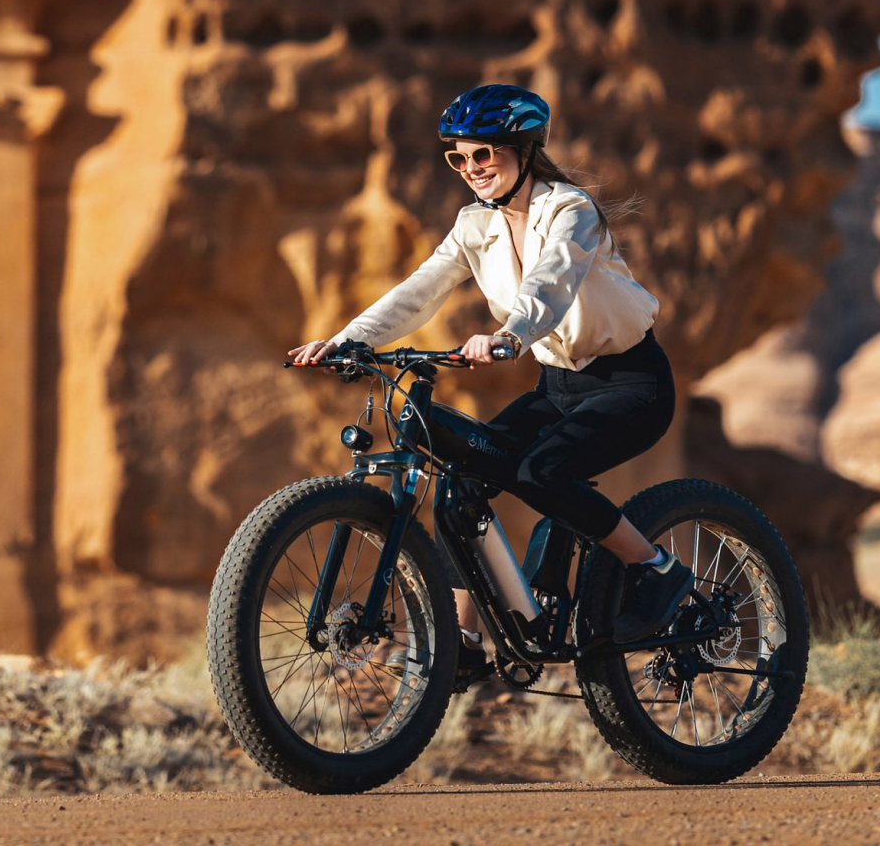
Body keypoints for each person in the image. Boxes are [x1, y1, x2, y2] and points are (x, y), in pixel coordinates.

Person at [287, 83, 690, 668]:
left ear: (523, 150)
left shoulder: (569, 210)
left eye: (484, 154)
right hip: (559, 386)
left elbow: (551, 281)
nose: (470, 168)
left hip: (631, 382)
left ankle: (657, 568)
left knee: (541, 472)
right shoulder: (475, 225)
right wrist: (348, 341)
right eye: (459, 156)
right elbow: (419, 291)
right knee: (464, 482)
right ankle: (465, 641)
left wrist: (509, 336)